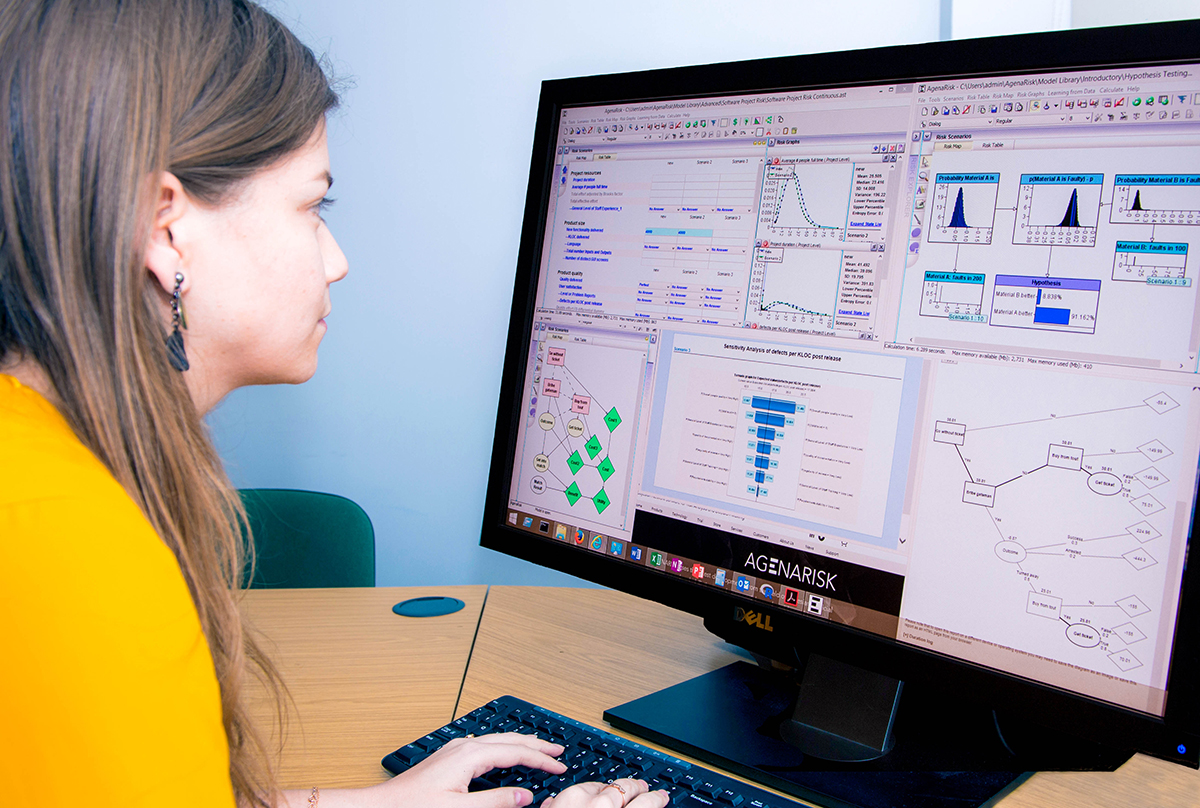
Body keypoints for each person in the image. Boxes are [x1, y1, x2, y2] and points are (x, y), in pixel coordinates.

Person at [0, 2, 669, 807]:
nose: (337, 260)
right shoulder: (72, 553)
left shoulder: (38, 469)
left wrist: (380, 803)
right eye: (312, 207)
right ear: (164, 231)